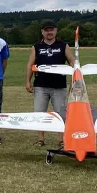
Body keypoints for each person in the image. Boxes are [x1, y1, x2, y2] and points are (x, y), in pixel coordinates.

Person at [25, 19, 75, 147]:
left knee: (60, 113)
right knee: (39, 113)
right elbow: (31, 64)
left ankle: (61, 140)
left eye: (51, 29)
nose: (49, 32)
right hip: (40, 85)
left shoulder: (63, 45)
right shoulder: (36, 46)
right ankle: (41, 139)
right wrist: (28, 81)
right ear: (42, 32)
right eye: (46, 30)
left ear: (56, 30)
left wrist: (76, 73)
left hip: (59, 86)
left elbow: (72, 61)